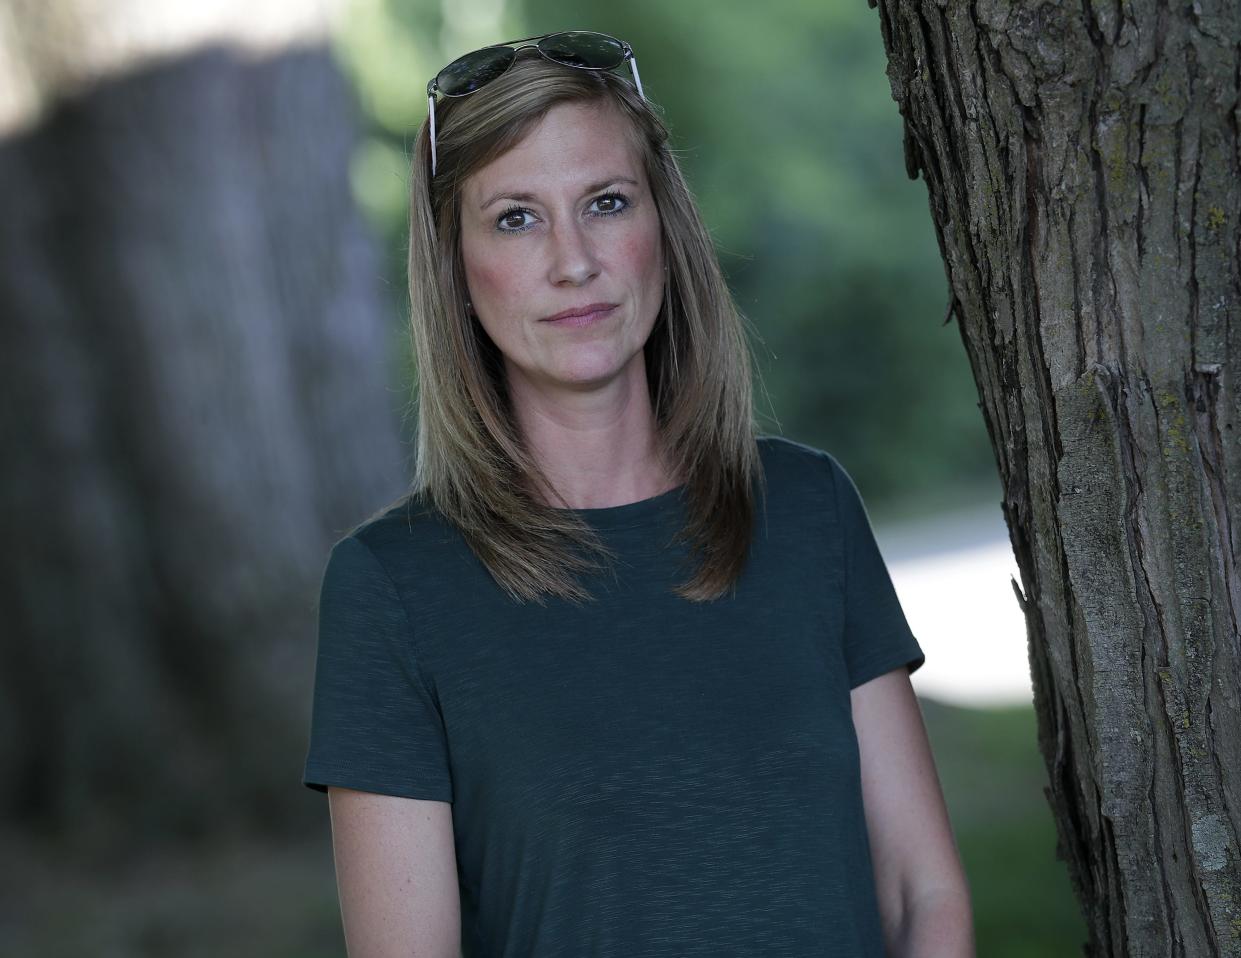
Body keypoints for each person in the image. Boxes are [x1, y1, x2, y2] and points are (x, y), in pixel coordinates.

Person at [302, 30, 974, 958]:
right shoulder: (393, 588)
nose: (573, 262)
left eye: (605, 203)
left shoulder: (806, 508)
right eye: (515, 218)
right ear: (455, 270)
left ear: (663, 226)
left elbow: (920, 894)